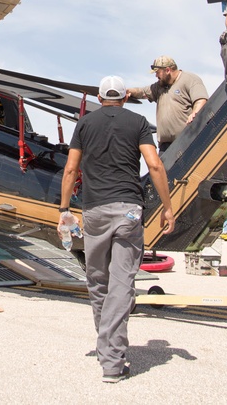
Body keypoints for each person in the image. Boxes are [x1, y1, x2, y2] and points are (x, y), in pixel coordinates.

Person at [58, 75, 176, 383]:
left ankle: (107, 348)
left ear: (100, 98)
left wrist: (63, 210)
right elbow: (154, 165)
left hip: (94, 209)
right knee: (123, 283)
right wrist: (167, 205)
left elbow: (71, 168)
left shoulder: (84, 125)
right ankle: (112, 358)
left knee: (98, 281)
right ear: (124, 98)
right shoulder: (137, 122)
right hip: (128, 211)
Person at [126, 56, 208, 153]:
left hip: (188, 140)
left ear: (167, 70)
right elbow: (142, 92)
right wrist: (126, 91)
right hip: (166, 147)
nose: (156, 76)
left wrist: (195, 113)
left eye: (157, 72)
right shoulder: (159, 87)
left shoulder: (189, 79)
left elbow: (201, 99)